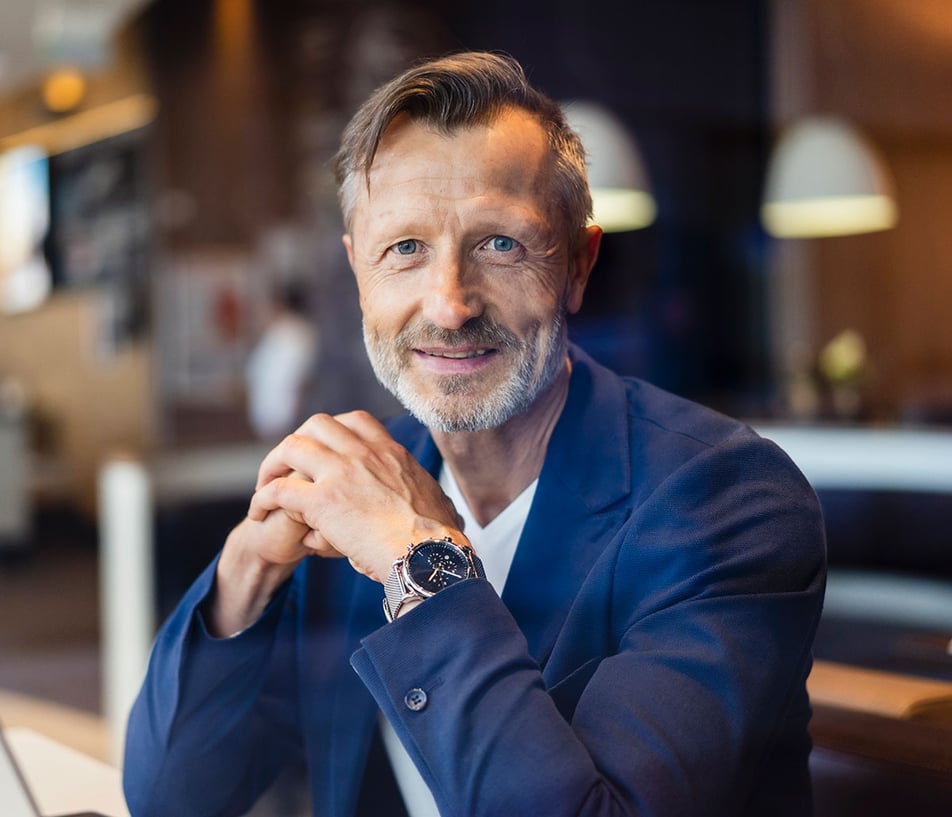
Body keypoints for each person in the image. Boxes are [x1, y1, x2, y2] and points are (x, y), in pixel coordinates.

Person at [123, 51, 826, 817]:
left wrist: (413, 560)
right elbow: (171, 797)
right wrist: (247, 568)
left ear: (580, 265)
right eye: (405, 249)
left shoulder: (726, 501)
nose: (450, 303)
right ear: (359, 272)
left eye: (500, 244)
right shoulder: (353, 493)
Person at [245, 280, 319, 440]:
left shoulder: (294, 334)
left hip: (284, 421)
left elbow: (297, 382)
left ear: (281, 304)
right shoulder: (282, 332)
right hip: (275, 419)